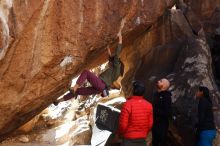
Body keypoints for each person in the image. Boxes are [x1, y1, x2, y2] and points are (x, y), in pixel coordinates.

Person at [54, 33, 124, 105]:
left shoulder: (117, 65)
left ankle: (74, 87)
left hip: (100, 84)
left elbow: (117, 54)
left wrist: (120, 39)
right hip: (99, 89)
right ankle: (59, 101)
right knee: (77, 91)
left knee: (86, 72)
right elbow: (111, 58)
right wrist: (108, 48)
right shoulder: (116, 72)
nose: (110, 63)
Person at [119, 81, 153, 146]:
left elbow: (123, 125)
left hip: (128, 139)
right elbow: (150, 124)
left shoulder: (128, 104)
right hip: (142, 139)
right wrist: (143, 133)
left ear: (133, 91)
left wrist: (121, 134)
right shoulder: (149, 105)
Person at [152, 78, 172, 146]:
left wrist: (154, 111)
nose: (158, 81)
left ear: (164, 85)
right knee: (154, 141)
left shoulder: (167, 96)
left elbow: (167, 112)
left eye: (161, 81)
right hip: (154, 122)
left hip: (162, 124)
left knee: (162, 141)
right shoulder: (155, 94)